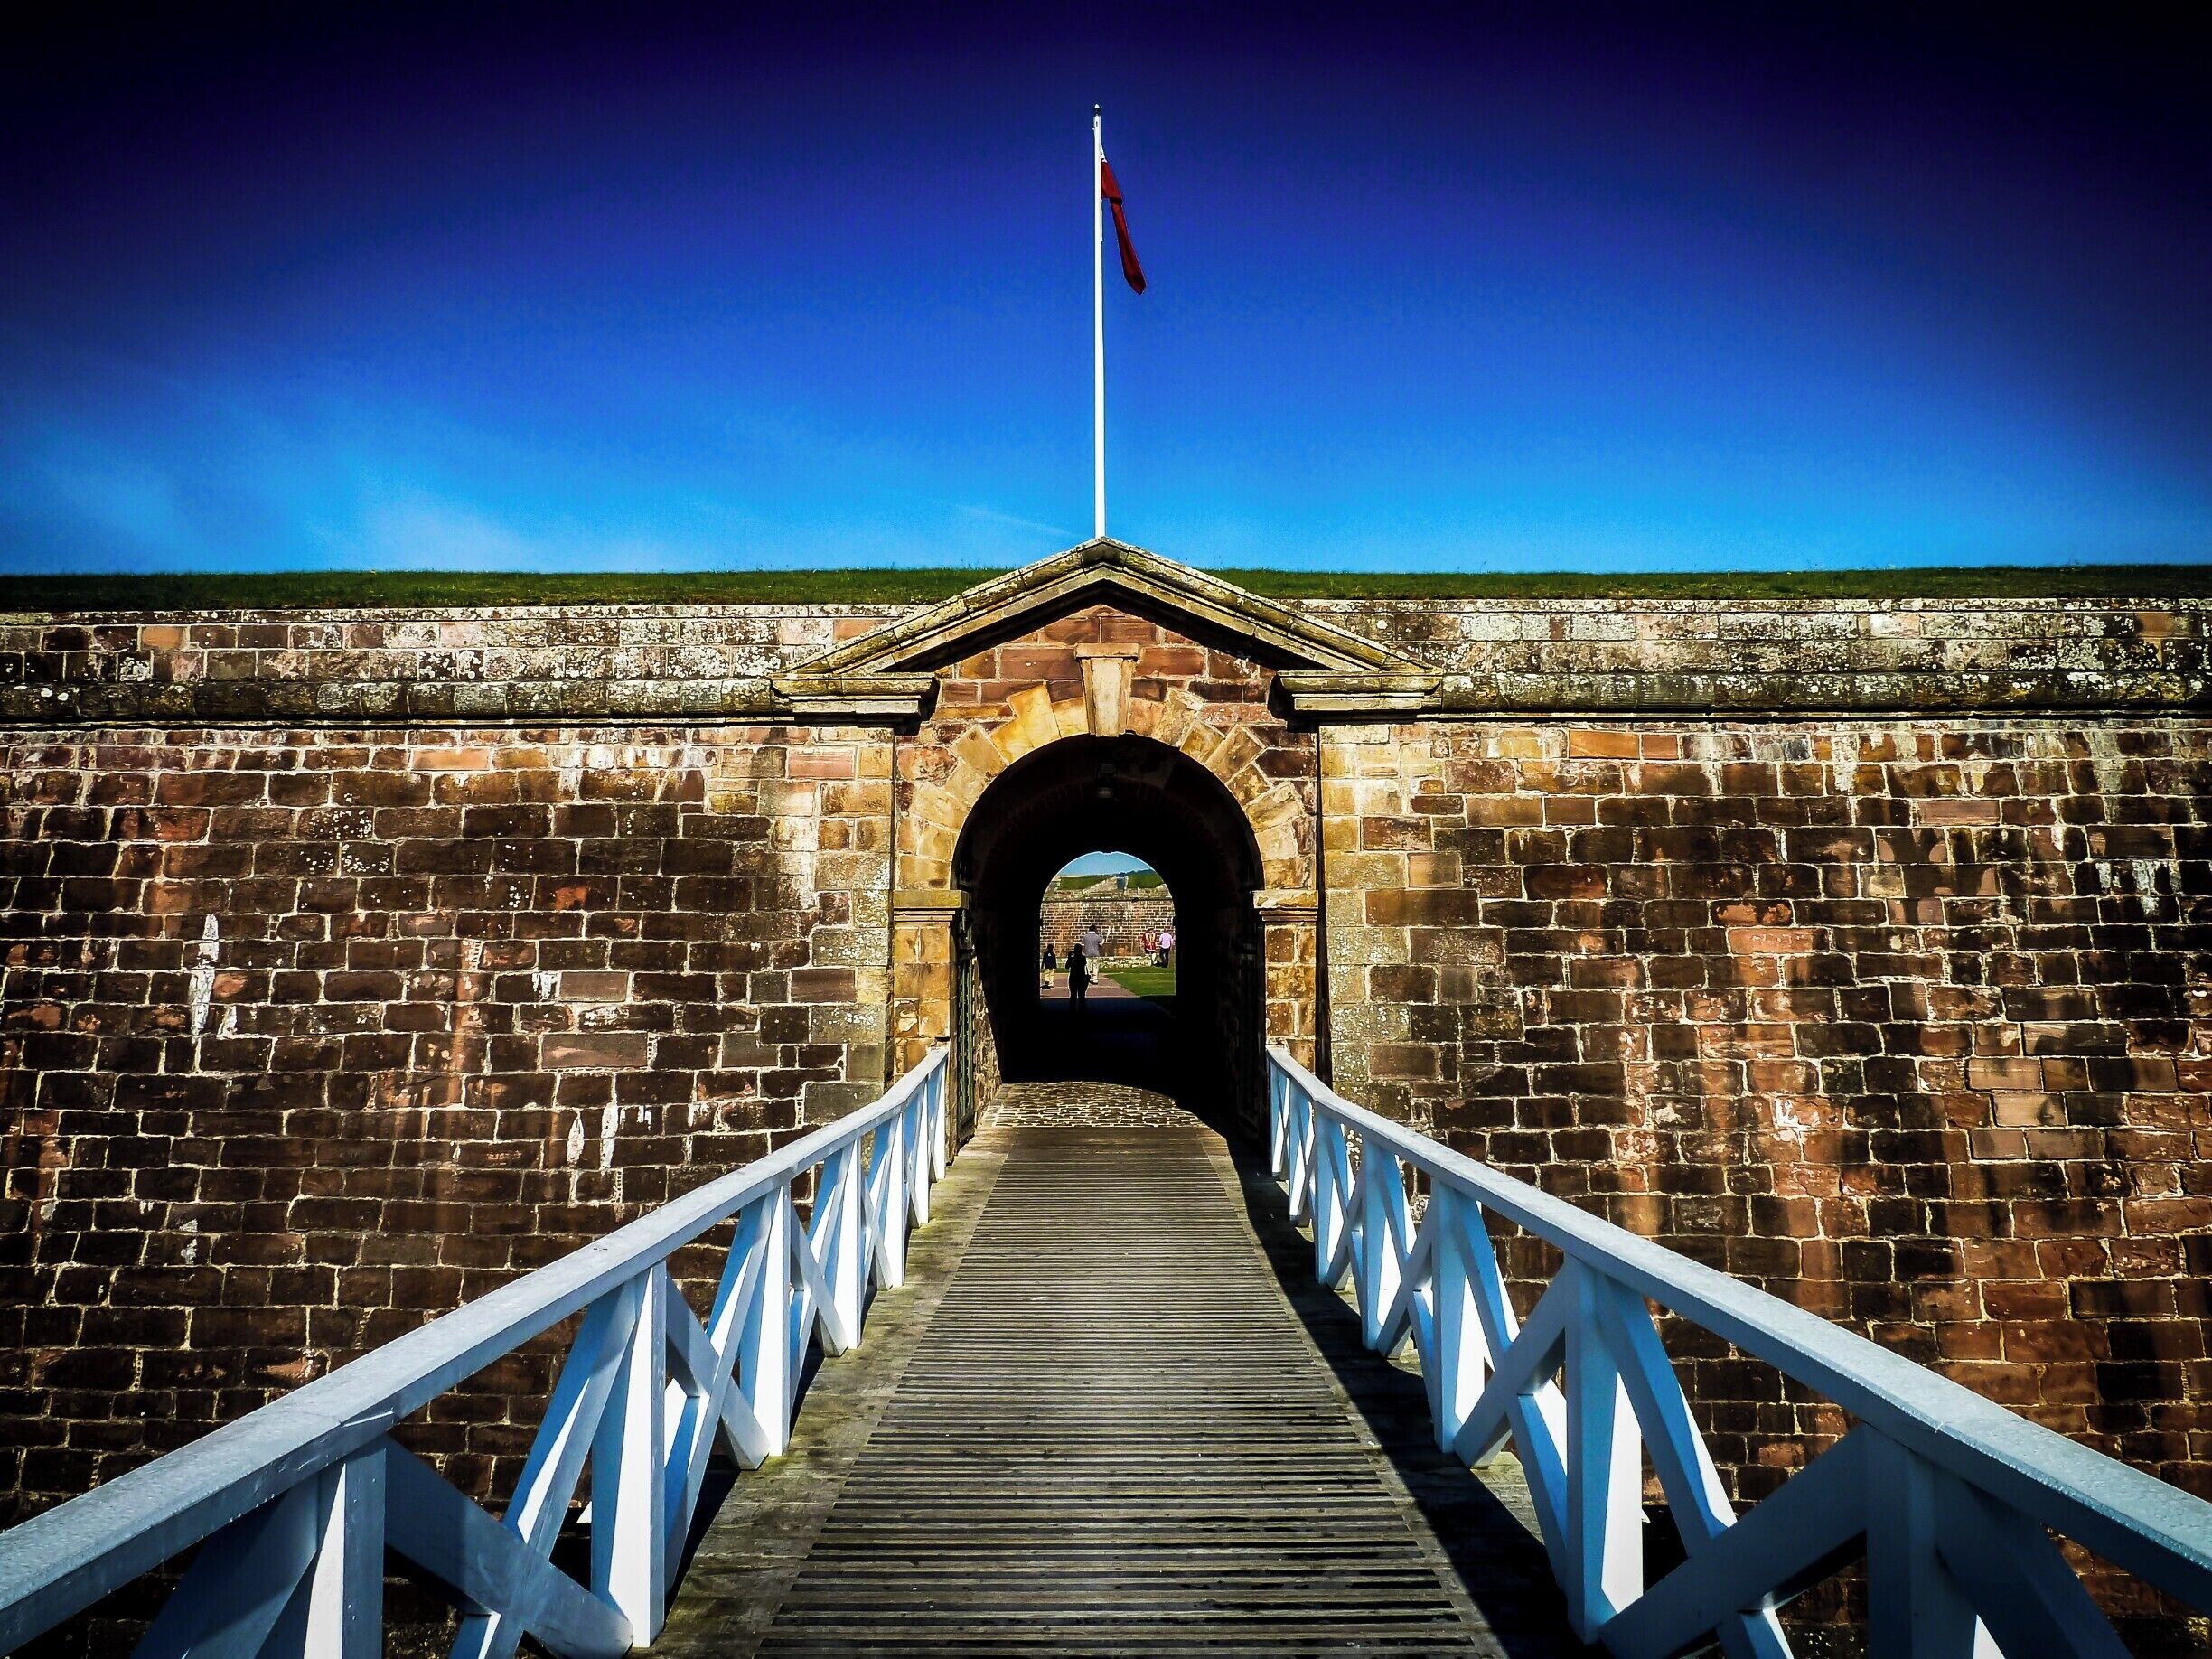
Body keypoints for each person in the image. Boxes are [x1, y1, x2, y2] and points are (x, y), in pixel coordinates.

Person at [1066, 943, 1090, 1007]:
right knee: (1081, 995)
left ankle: (1072, 1008)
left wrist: (1069, 957)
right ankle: (1082, 1007)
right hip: (1081, 977)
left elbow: (1067, 966)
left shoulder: (1072, 959)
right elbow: (1084, 964)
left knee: (1073, 995)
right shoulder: (1083, 958)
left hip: (1073, 977)